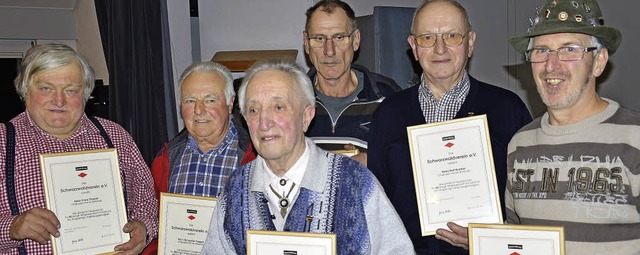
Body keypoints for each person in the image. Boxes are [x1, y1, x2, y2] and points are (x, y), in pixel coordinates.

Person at [367, 0, 532, 254]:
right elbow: (377, 205)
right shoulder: (388, 113)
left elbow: (529, 205)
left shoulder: (508, 109)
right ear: (413, 46)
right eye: (427, 37)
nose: (440, 48)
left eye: (452, 36)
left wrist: (489, 237)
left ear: (470, 42)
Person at [201, 60, 414, 254]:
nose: (264, 123)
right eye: (254, 110)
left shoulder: (356, 184)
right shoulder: (234, 191)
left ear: (306, 117)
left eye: (278, 107)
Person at [505, 0, 638, 254]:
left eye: (569, 50)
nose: (551, 66)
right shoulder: (519, 145)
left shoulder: (635, 139)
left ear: (598, 61)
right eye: (541, 51)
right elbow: (515, 236)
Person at [0, 43, 157, 254]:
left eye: (71, 90)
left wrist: (143, 226)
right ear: (25, 91)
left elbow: (144, 193)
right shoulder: (3, 142)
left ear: (85, 94)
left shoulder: (115, 136)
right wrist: (11, 228)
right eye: (46, 88)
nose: (59, 100)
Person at [141, 61, 256, 254]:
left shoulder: (256, 159)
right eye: (190, 101)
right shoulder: (164, 160)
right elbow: (155, 227)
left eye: (210, 100)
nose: (199, 110)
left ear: (230, 103)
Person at [303, 0, 402, 166]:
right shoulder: (291, 100)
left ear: (356, 40)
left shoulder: (386, 96)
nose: (329, 51)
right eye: (319, 38)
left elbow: (408, 162)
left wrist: (373, 161)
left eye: (339, 37)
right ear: (306, 42)